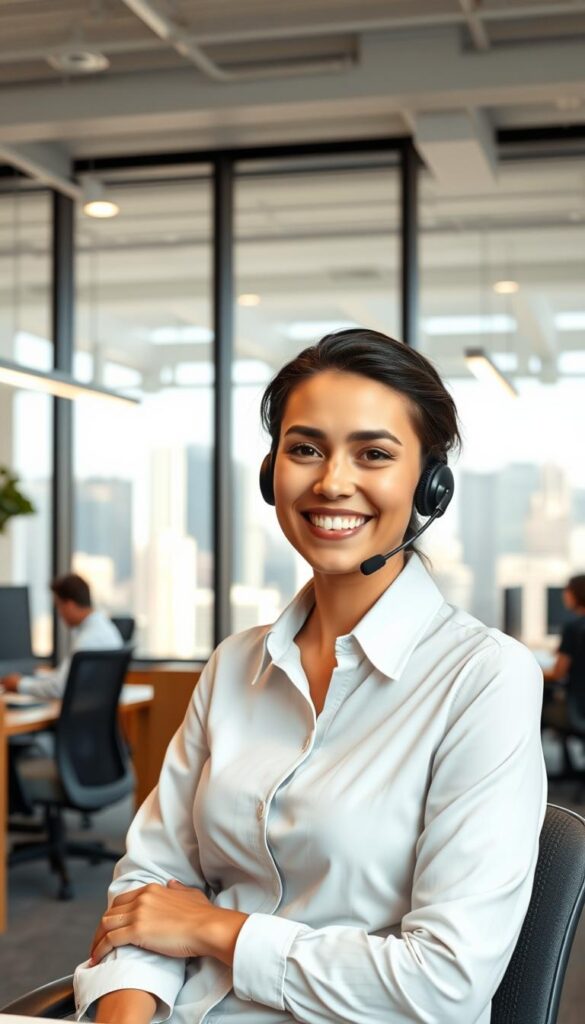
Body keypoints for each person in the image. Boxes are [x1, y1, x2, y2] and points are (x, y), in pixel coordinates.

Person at [74, 329, 546, 1024]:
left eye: (373, 454)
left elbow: (442, 985)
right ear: (272, 473)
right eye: (304, 449)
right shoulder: (236, 663)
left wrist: (212, 929)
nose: (330, 481)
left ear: (429, 483)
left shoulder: (482, 679)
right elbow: (147, 886)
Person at [0, 573, 123, 700]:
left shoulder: (87, 641)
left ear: (69, 605)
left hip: (80, 714)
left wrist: (19, 684)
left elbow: (58, 688)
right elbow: (65, 678)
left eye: (59, 606)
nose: (59, 614)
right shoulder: (106, 629)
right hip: (92, 709)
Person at [542, 574, 585, 728]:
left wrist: (535, 670)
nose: (563, 595)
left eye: (567, 590)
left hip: (577, 711)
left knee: (537, 709)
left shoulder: (573, 629)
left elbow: (558, 673)